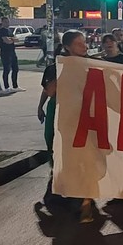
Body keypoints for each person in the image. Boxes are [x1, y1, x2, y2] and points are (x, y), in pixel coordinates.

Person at [37, 30, 96, 223]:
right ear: (67, 47)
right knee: (58, 150)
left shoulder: (93, 65)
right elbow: (50, 90)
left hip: (85, 114)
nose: (84, 47)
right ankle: (64, 185)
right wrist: (40, 106)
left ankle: (83, 201)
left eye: (84, 43)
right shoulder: (56, 68)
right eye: (79, 44)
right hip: (61, 113)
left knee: (83, 155)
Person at [0, 18, 23, 92]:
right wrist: (11, 39)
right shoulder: (1, 31)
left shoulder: (9, 30)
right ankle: (6, 87)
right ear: (2, 22)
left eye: (8, 22)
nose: (7, 23)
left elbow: (17, 39)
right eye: (5, 22)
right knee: (7, 69)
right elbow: (7, 41)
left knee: (15, 69)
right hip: (5, 52)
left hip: (12, 52)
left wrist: (11, 38)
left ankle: (15, 86)